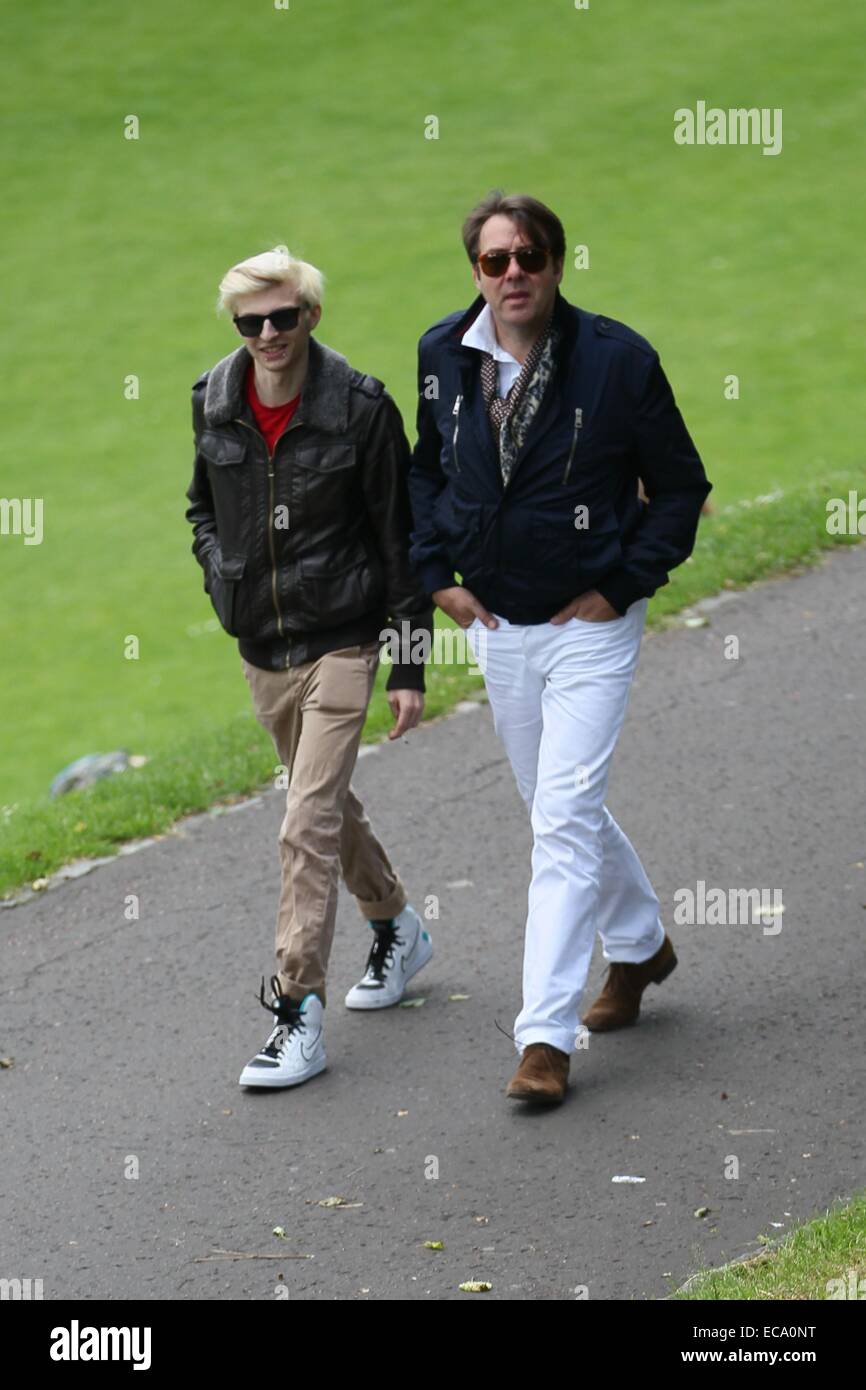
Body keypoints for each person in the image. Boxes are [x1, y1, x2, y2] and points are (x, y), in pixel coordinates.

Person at [408, 193, 712, 1105]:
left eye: (529, 257)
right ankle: (642, 948)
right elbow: (426, 469)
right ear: (476, 271)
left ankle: (544, 1037)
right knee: (557, 806)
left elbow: (683, 488)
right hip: (500, 625)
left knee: (562, 821)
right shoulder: (440, 355)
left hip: (590, 628)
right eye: (495, 261)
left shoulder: (617, 362)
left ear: (557, 264)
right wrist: (436, 574)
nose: (513, 275)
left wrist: (619, 587)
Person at [185, 246, 434, 1090]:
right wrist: (223, 573)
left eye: (283, 316)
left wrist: (408, 665)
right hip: (262, 644)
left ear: (311, 316)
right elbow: (200, 508)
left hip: (345, 636)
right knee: (321, 805)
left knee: (301, 824)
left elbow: (400, 545)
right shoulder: (213, 403)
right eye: (251, 322)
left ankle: (298, 1016)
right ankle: (398, 925)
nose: (267, 334)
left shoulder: (361, 409)